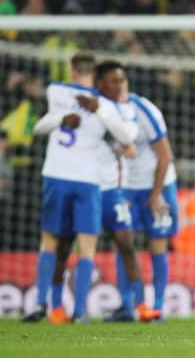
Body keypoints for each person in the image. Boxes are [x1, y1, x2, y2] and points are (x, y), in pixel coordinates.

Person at [22, 52, 137, 323]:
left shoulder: (56, 91)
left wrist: (62, 118)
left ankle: (41, 305)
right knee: (87, 245)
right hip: (87, 180)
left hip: (56, 175)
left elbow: (39, 127)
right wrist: (99, 111)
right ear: (94, 73)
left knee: (50, 241)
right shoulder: (106, 104)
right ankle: (80, 312)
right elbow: (126, 137)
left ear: (71, 69)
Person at [49, 60, 160, 323]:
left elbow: (128, 137)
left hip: (111, 190)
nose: (120, 85)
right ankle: (57, 306)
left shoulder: (121, 110)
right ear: (100, 83)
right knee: (65, 247)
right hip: (84, 184)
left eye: (122, 80)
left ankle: (142, 305)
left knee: (127, 242)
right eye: (114, 81)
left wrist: (117, 134)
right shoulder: (81, 105)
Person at [123, 84, 179, 321]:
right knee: (124, 242)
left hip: (158, 183)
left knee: (157, 243)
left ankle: (157, 307)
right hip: (127, 186)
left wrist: (155, 195)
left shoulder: (144, 110)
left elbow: (165, 154)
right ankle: (129, 306)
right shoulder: (104, 111)